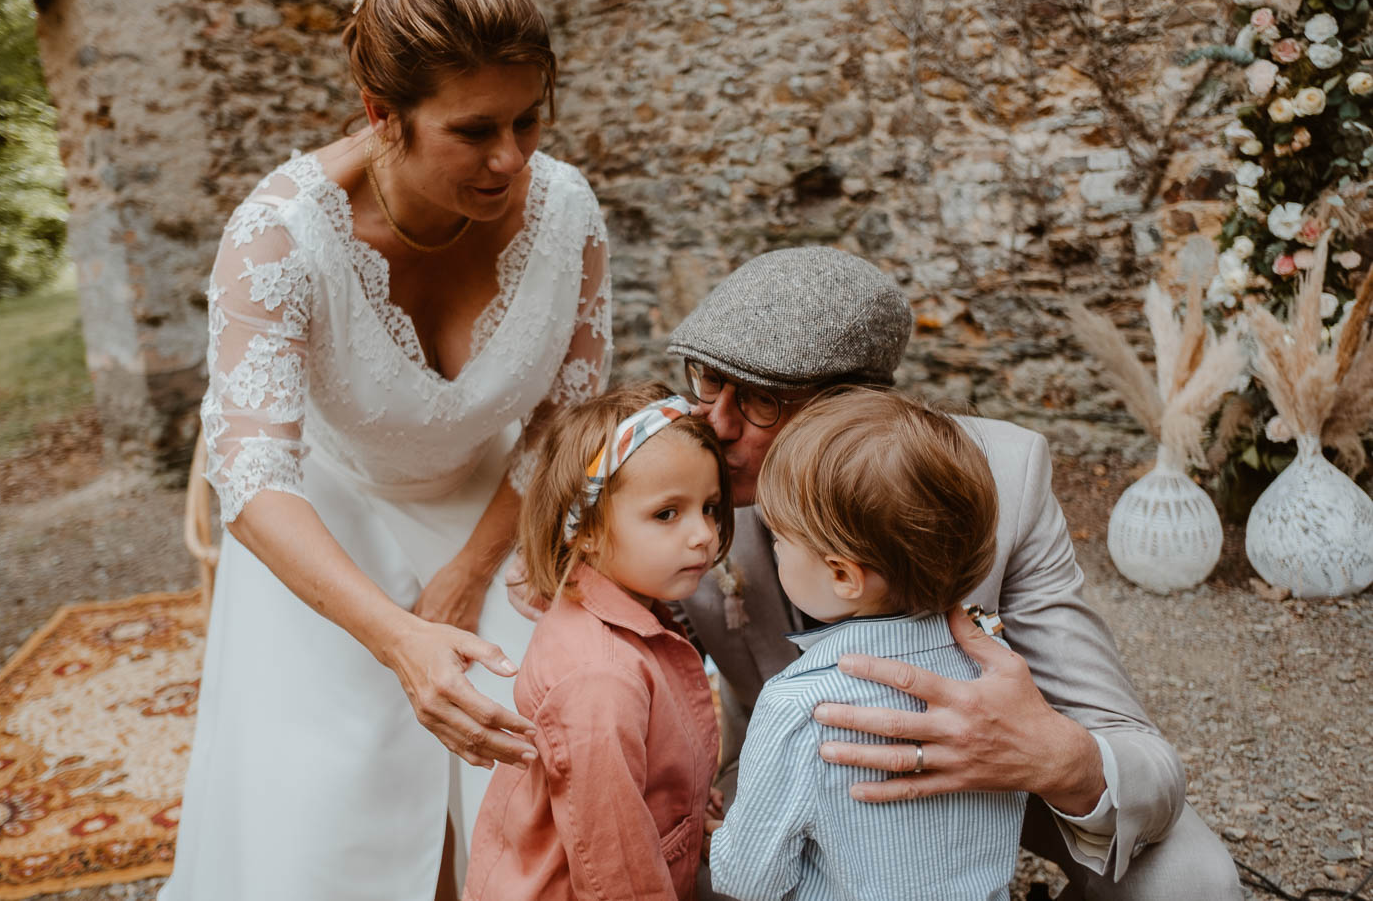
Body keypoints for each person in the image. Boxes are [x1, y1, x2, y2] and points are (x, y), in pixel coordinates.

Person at [161, 0, 611, 898]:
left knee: (530, 763)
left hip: (500, 512)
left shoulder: (567, 212)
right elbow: (250, 475)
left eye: (528, 120)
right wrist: (399, 635)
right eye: (473, 131)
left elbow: (563, 425)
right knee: (337, 817)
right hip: (322, 533)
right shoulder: (280, 236)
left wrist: (470, 575)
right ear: (382, 111)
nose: (511, 159)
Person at [667, 247, 1241, 899]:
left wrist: (1054, 757)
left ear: (848, 411)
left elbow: (1139, 754)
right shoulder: (673, 487)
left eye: (763, 401)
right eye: (706, 379)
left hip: (987, 773)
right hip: (784, 769)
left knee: (1193, 881)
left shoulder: (1002, 477)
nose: (716, 423)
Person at [709, 388, 1026, 901]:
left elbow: (748, 880)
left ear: (842, 575)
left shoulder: (799, 704)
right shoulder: (995, 681)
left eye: (778, 539)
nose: (773, 549)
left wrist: (723, 841)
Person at [464, 384, 729, 900]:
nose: (703, 534)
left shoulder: (633, 619)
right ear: (584, 529)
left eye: (711, 508)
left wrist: (686, 799)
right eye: (667, 514)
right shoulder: (600, 676)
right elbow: (617, 869)